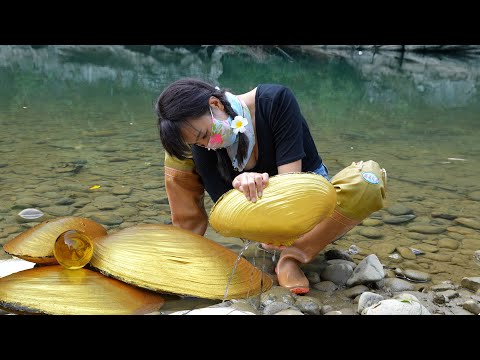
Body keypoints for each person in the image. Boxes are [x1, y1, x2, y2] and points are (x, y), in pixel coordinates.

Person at [155, 78, 383, 295]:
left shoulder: (275, 101)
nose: (207, 145)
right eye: (199, 143)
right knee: (177, 156)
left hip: (305, 208)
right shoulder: (201, 144)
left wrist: (258, 189)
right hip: (257, 214)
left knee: (368, 181)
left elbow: (291, 196)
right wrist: (237, 187)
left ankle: (292, 257)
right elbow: (225, 211)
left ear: (215, 104)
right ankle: (185, 247)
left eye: (205, 135)